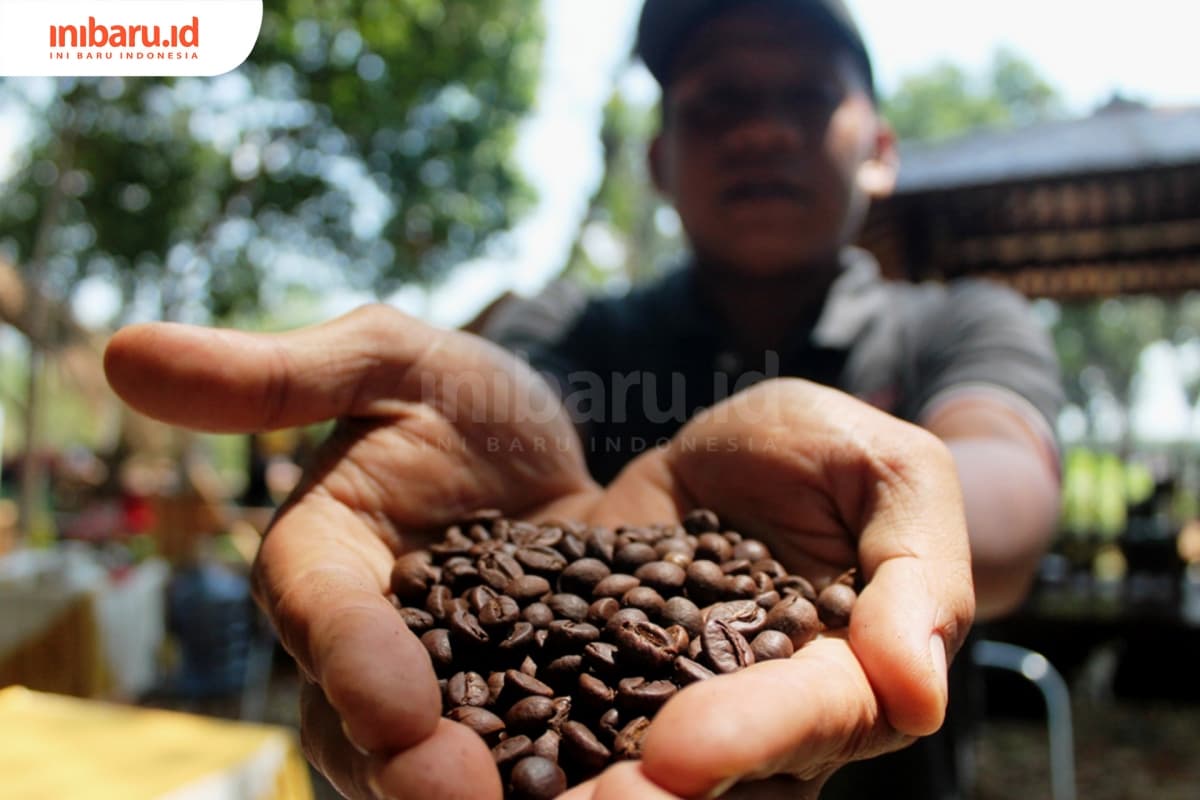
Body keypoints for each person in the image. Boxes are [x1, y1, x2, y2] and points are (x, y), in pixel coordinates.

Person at [102, 1, 1059, 798]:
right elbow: (514, 395)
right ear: (657, 162)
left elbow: (1008, 479)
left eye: (805, 97)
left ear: (881, 149)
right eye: (718, 101)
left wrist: (899, 495)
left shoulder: (964, 322)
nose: (761, 129)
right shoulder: (571, 328)